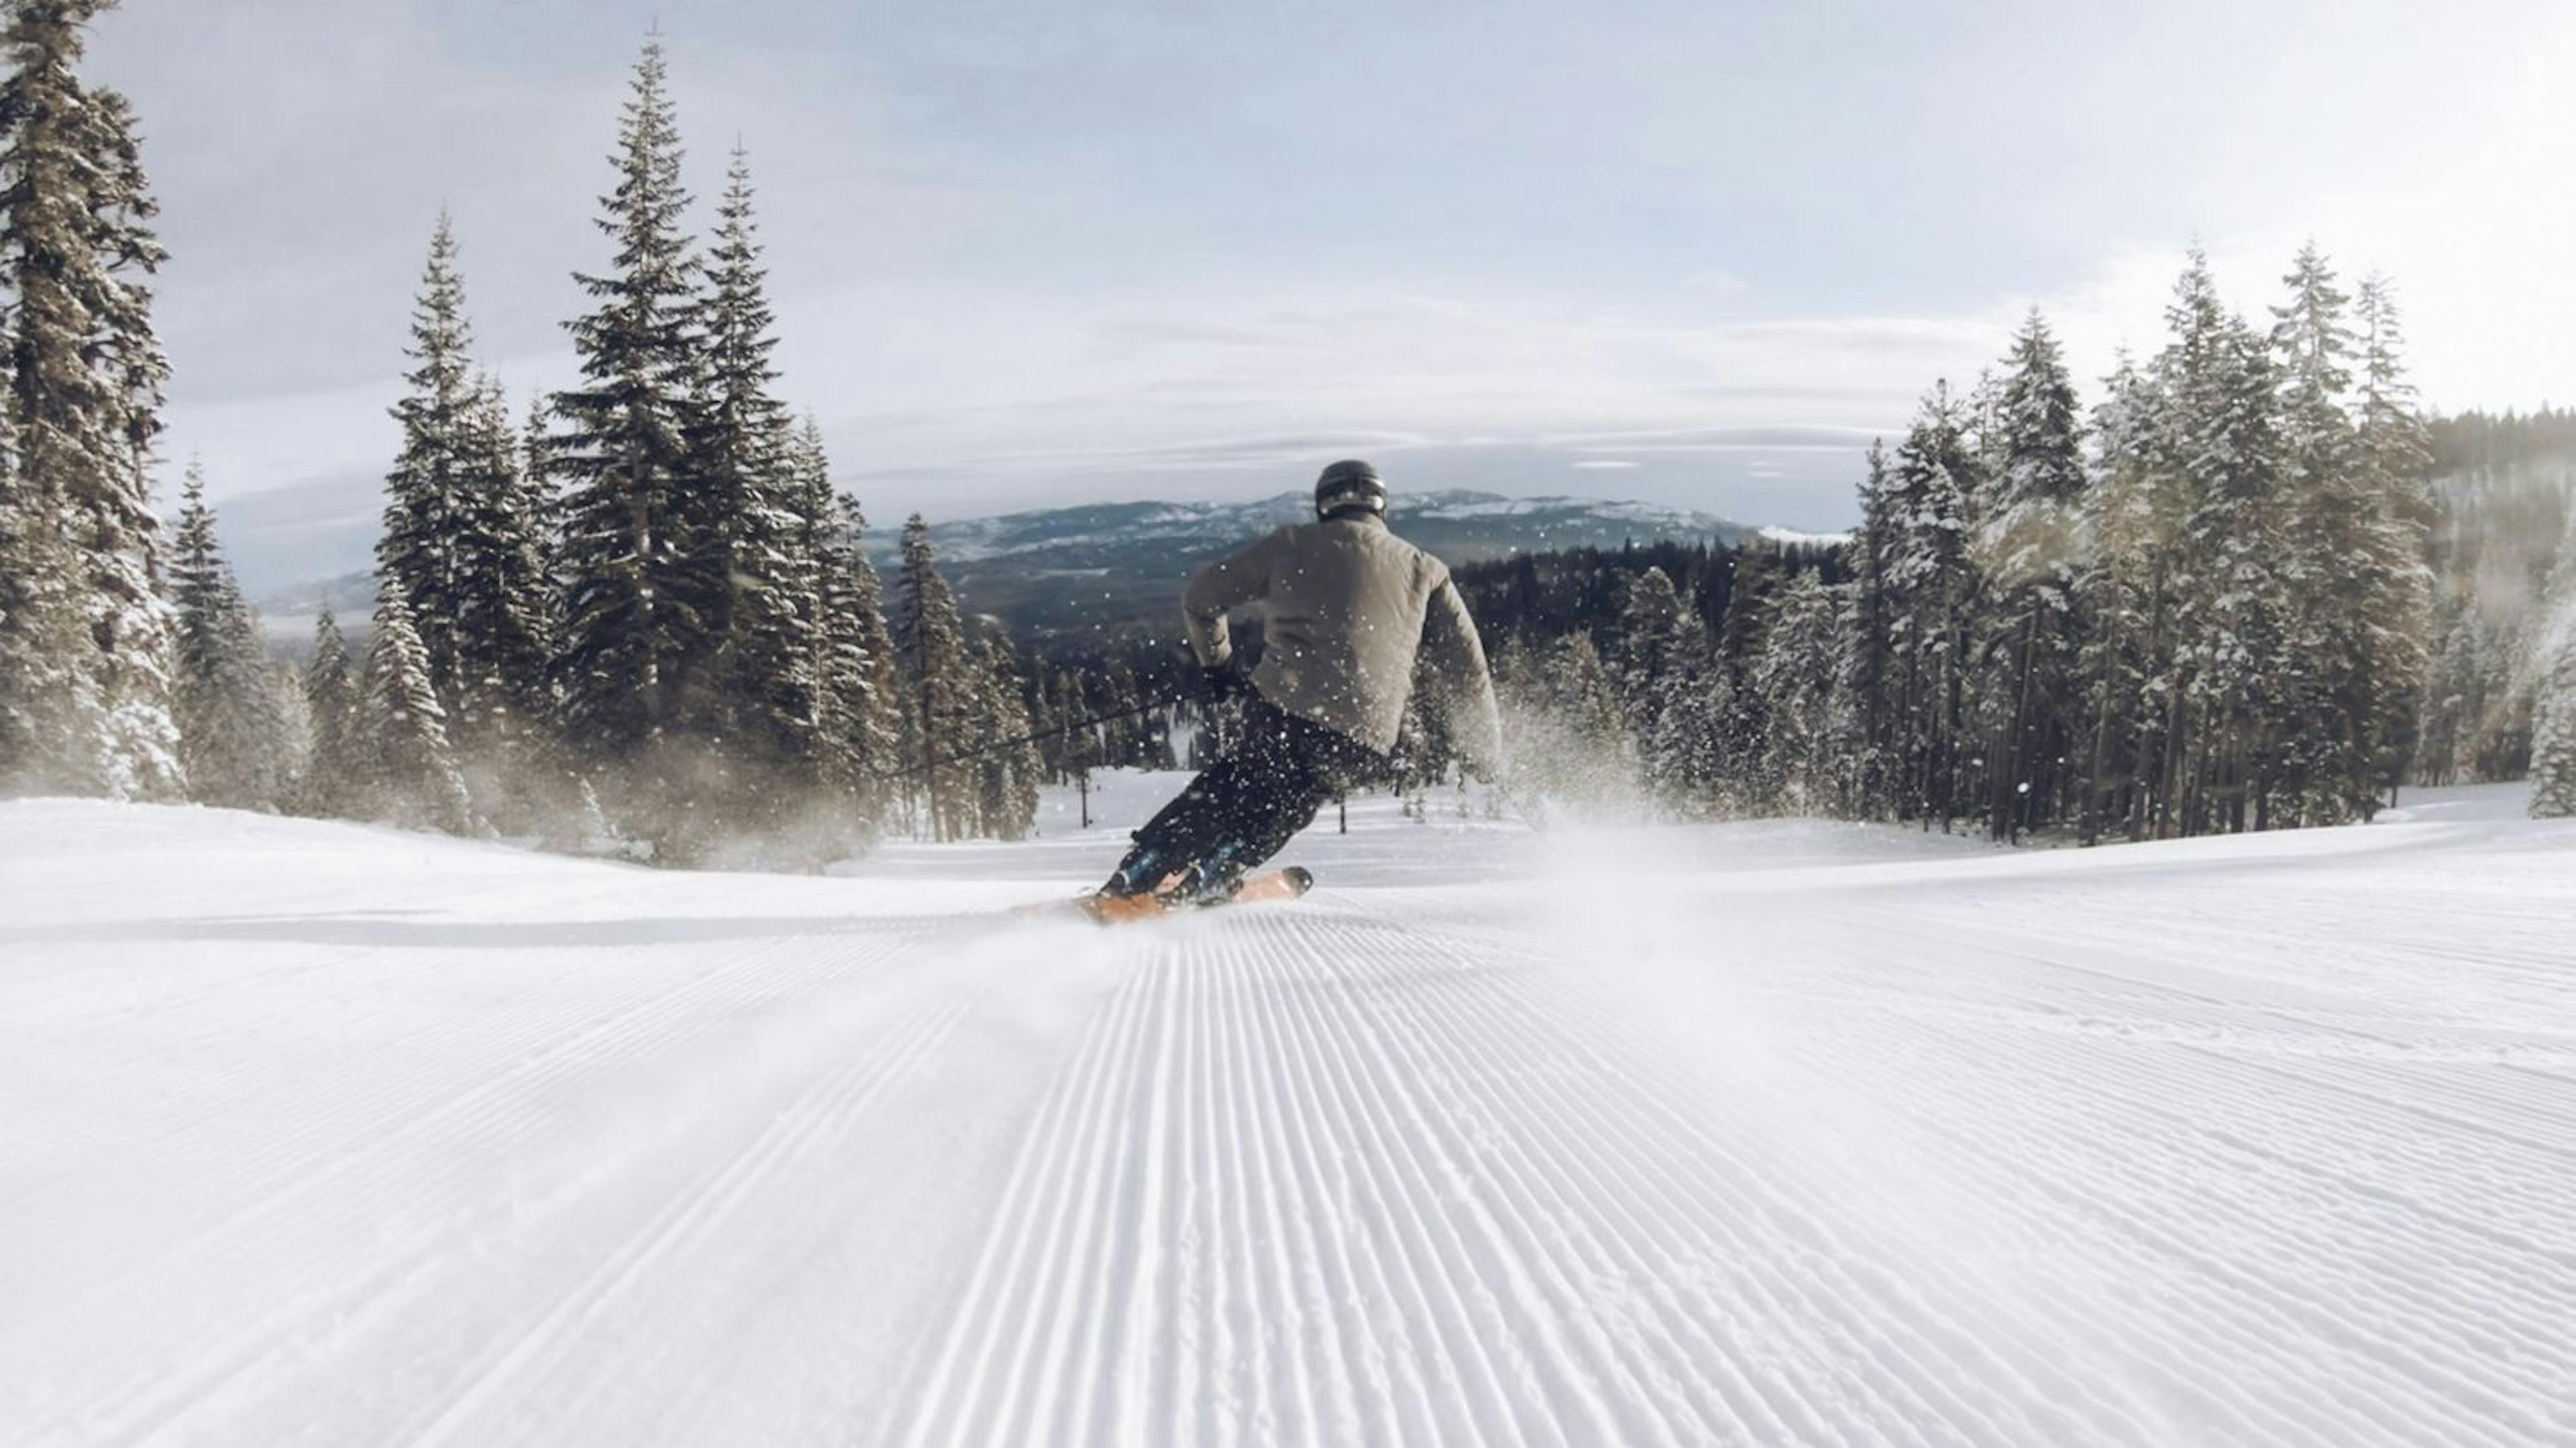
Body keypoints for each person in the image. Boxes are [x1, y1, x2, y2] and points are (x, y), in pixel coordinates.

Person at [1089, 459, 1503, 919]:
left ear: (1324, 505)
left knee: (1229, 787)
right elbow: (1470, 671)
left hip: (1280, 710)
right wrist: (1486, 750)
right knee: (1289, 803)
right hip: (1361, 734)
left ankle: (1141, 871)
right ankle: (1214, 872)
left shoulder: (1290, 546)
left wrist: (1220, 668)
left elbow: (1201, 600)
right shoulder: (1426, 569)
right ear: (1381, 506)